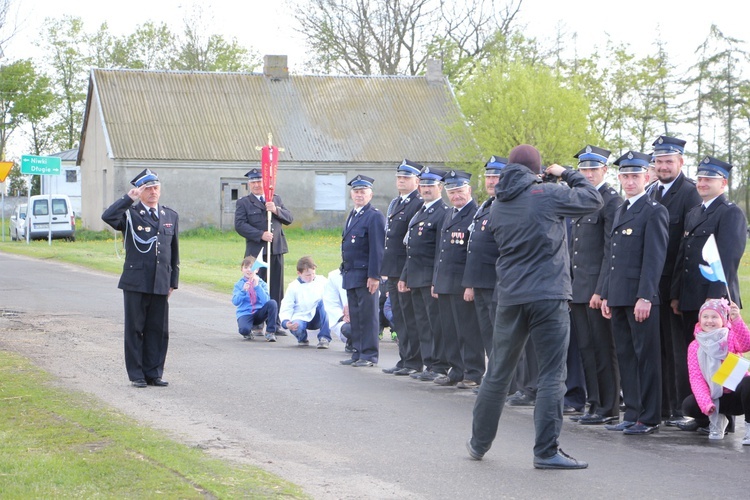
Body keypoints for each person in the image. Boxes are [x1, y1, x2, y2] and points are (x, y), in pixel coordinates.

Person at [467, 144, 602, 469]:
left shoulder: (497, 203)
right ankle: (546, 451)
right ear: (537, 169)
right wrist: (565, 173)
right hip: (548, 294)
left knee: (498, 372)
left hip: (511, 296)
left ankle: (478, 443)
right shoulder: (548, 193)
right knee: (552, 374)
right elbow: (593, 199)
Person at [601, 150, 669, 436]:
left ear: (647, 176)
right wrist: (605, 293)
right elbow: (612, 256)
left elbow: (654, 259)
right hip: (618, 295)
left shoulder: (654, 211)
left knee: (646, 357)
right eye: (625, 176)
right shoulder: (621, 210)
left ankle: (650, 416)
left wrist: (645, 296)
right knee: (627, 356)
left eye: (635, 176)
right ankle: (632, 412)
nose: (629, 181)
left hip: (640, 298)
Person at [101, 168, 179, 388]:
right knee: (135, 329)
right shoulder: (129, 214)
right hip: (136, 280)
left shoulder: (170, 215)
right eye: (148, 188)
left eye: (156, 187)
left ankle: (154, 373)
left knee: (158, 330)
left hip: (160, 280)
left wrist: (173, 281)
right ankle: (137, 375)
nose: (153, 192)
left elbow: (174, 252)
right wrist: (128, 198)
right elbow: (107, 217)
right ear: (140, 191)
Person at [647, 135, 702, 427]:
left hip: (674, 288)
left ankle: (684, 407)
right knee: (659, 350)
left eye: (669, 161)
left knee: (680, 351)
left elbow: (686, 248)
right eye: (659, 161)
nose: (663, 166)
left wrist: (677, 291)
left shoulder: (689, 193)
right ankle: (666, 406)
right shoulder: (651, 192)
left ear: (681, 162)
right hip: (651, 286)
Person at [568, 145, 622, 425]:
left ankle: (609, 407)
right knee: (587, 349)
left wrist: (601, 290)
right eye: (583, 169)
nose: (588, 174)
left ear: (604, 170)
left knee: (603, 348)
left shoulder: (610, 201)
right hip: (578, 288)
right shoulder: (580, 199)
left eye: (593, 168)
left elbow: (610, 251)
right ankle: (594, 402)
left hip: (596, 290)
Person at [671, 156, 747, 348]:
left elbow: (727, 261)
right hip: (690, 299)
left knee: (719, 360)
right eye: (700, 179)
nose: (702, 183)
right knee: (695, 358)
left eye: (709, 179)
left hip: (714, 302)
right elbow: (683, 256)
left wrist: (714, 299)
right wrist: (676, 295)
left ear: (723, 183)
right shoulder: (694, 213)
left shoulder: (730, 213)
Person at [432, 169, 484, 389]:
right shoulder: (449, 213)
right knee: (449, 330)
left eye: (460, 191)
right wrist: (436, 280)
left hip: (463, 283)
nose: (456, 196)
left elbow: (475, 253)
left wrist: (470, 284)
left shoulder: (475, 213)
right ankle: (456, 369)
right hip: (445, 282)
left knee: (468, 330)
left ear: (469, 190)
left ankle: (473, 372)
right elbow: (440, 251)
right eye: (452, 192)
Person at [399, 166, 451, 381]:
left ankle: (439, 365)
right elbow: (410, 248)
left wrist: (437, 280)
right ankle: (429, 362)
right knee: (422, 322)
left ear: (440, 187)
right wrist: (404, 275)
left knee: (435, 323)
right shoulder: (421, 210)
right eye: (424, 185)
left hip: (430, 276)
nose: (426, 189)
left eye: (431, 186)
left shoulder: (443, 212)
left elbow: (441, 250)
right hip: (416, 275)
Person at [681, 298, 750, 444]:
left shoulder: (730, 336)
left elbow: (746, 344)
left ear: (723, 320)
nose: (709, 321)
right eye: (705, 317)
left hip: (736, 395)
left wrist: (736, 320)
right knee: (689, 405)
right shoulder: (694, 346)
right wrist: (707, 404)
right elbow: (696, 378)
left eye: (714, 317)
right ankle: (717, 419)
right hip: (716, 396)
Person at [381, 159, 424, 376]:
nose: (401, 181)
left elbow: (410, 243)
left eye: (406, 178)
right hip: (393, 268)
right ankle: (405, 358)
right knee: (399, 316)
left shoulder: (417, 203)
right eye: (399, 177)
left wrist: (404, 273)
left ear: (417, 181)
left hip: (405, 270)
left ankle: (414, 360)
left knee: (409, 317)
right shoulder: (397, 202)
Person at [340, 175, 386, 367]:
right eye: (356, 192)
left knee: (368, 316)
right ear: (352, 194)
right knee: (356, 316)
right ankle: (358, 351)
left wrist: (375, 275)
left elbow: (378, 248)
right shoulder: (353, 214)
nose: (359, 195)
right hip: (351, 273)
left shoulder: (374, 216)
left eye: (363, 192)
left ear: (370, 194)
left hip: (366, 274)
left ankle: (369, 354)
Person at [463, 156, 506, 358]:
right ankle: (494, 380)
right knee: (488, 334)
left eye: (496, 176)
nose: (490, 181)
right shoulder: (487, 205)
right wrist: (470, 283)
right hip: (481, 281)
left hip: (496, 282)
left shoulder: (506, 206)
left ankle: (508, 384)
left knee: (501, 336)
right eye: (488, 176)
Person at [234, 168, 294, 308]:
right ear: (249, 184)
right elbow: (240, 225)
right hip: (257, 253)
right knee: (256, 285)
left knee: (276, 288)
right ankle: (257, 323)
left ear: (265, 183)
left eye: (259, 181)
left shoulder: (275, 199)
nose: (256, 185)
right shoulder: (244, 202)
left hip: (276, 249)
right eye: (253, 182)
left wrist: (276, 210)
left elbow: (289, 218)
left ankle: (275, 322)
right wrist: (260, 234)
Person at [279, 256, 332, 348]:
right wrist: (286, 322)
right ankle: (302, 338)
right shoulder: (293, 286)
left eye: (313, 274)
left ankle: (324, 337)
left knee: (324, 303)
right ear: (299, 273)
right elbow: (286, 306)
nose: (311, 277)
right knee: (297, 327)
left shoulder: (322, 281)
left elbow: (333, 297)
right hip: (301, 316)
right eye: (308, 275)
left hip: (318, 317)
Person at [232, 256, 278, 342]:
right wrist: (243, 291)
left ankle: (270, 332)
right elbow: (235, 302)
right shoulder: (239, 284)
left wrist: (257, 287)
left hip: (259, 313)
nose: (249, 270)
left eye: (252, 267)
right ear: (242, 269)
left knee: (273, 303)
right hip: (245, 313)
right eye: (246, 267)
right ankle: (248, 332)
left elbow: (266, 301)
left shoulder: (262, 283)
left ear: (257, 270)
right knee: (244, 330)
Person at [323, 267, 352, 350]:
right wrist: (343, 317)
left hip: (363, 315)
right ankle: (352, 342)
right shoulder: (333, 276)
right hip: (345, 319)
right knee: (348, 329)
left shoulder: (365, 273)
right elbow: (331, 302)